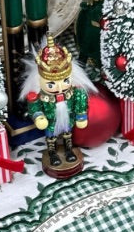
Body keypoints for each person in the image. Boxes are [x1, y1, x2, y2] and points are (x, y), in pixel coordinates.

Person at [25, 36, 89, 178]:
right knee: (51, 136)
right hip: (51, 120)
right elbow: (34, 107)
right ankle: (52, 153)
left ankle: (68, 150)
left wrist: (81, 115)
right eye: (51, 84)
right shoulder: (39, 95)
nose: (60, 88)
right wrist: (38, 117)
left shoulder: (74, 91)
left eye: (65, 81)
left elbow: (80, 100)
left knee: (67, 133)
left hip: (68, 118)